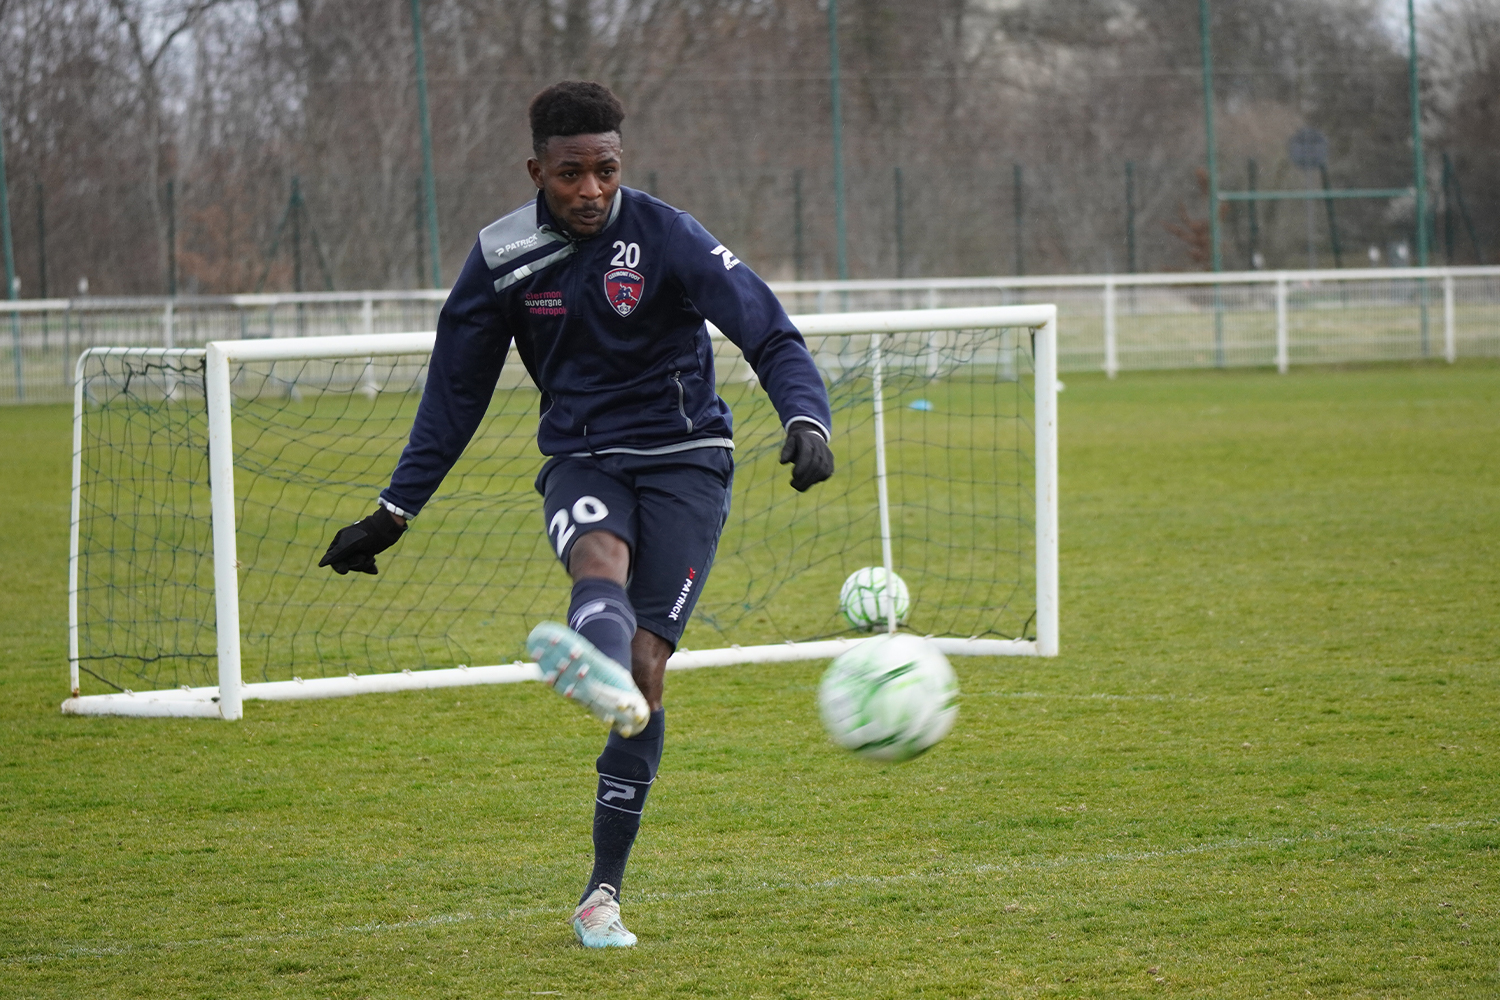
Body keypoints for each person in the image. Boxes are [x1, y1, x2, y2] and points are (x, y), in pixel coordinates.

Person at [318, 81, 834, 948]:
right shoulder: (502, 256)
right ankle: (600, 677)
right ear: (536, 170)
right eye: (570, 174)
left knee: (647, 666)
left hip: (687, 463)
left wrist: (805, 417)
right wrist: (393, 512)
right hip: (583, 458)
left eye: (605, 169)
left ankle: (602, 892)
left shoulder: (667, 233)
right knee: (597, 557)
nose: (591, 189)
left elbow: (768, 331)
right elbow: (455, 394)